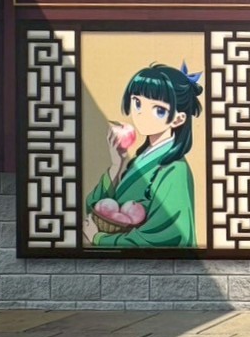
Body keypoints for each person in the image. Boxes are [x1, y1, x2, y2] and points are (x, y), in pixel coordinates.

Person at [81, 62, 202, 248]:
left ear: (178, 119)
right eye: (137, 103)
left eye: (158, 110)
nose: (142, 114)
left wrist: (100, 239)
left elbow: (169, 235)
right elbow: (98, 207)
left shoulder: (175, 171)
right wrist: (116, 166)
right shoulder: (141, 159)